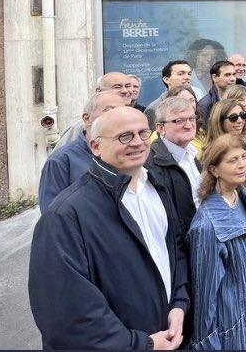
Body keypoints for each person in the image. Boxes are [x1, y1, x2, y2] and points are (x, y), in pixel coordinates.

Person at [29, 107, 189, 349]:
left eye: (143, 133)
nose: (137, 142)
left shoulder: (157, 188)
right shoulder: (64, 216)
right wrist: (141, 344)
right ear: (95, 146)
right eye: (125, 136)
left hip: (167, 338)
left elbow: (174, 250)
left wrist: (179, 303)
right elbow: (66, 313)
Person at [187, 134, 246, 349]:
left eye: (244, 157)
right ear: (214, 170)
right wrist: (208, 344)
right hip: (235, 328)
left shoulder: (241, 196)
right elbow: (204, 296)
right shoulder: (207, 226)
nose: (242, 164)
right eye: (233, 160)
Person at [39, 91, 129, 212]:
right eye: (109, 111)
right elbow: (51, 214)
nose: (118, 117)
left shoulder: (130, 151)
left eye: (122, 112)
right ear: (87, 119)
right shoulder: (61, 160)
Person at [146, 96, 202, 241]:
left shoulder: (191, 154)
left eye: (191, 119)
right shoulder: (152, 165)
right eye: (179, 121)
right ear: (160, 128)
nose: (189, 125)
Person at [145, 60, 203, 128]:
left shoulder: (195, 101)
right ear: (166, 79)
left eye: (189, 74)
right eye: (180, 74)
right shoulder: (154, 108)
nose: (187, 77)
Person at [198, 60, 237, 132]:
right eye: (227, 75)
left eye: (234, 74)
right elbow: (205, 133)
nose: (232, 79)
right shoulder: (205, 104)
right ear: (214, 78)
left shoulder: (238, 99)